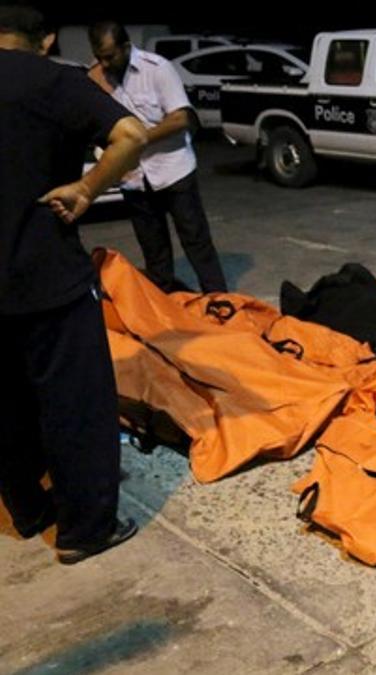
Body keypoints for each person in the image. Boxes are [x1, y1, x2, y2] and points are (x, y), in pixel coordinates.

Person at [0, 5, 149, 564]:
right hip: (45, 276)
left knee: (7, 404)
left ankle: (30, 508)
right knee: (75, 403)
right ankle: (86, 528)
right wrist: (88, 187)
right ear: (47, 40)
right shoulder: (54, 80)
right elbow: (131, 136)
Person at [88, 20, 228, 293]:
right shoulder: (98, 77)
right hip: (134, 179)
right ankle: (165, 308)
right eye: (99, 57)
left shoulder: (157, 69)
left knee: (196, 241)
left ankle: (219, 300)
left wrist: (137, 141)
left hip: (172, 170)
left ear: (126, 47)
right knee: (154, 251)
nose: (104, 64)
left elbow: (181, 118)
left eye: (109, 56)